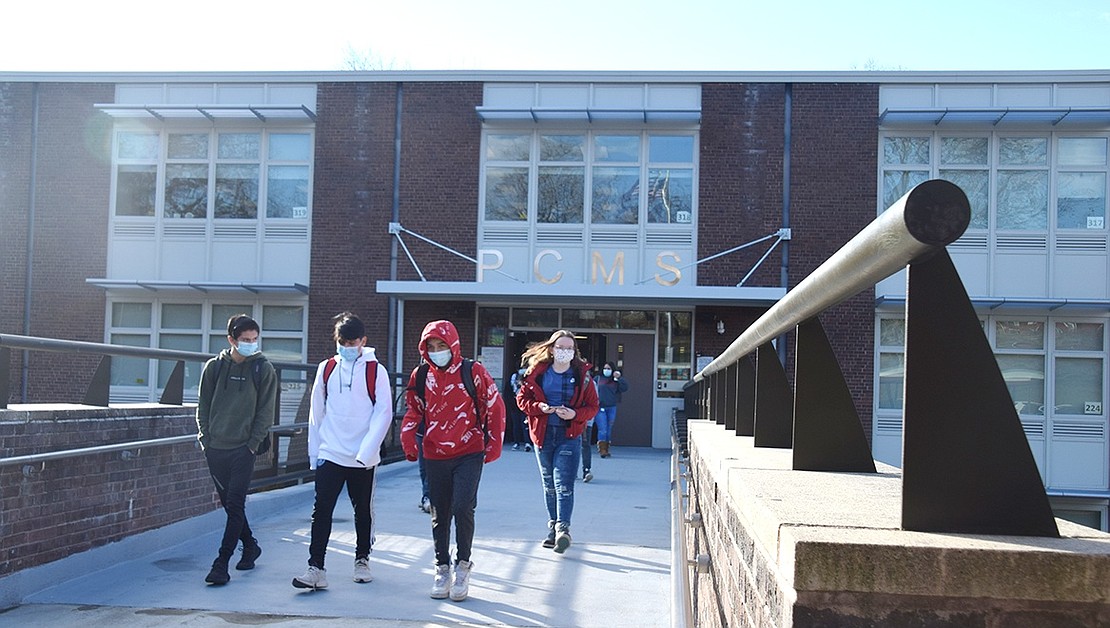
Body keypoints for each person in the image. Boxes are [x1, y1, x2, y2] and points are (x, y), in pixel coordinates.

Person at [401, 320, 505, 602]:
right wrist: (408, 439)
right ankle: (441, 567)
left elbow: (494, 406)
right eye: (431, 347)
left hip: (469, 451)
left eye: (441, 346)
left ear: (454, 345)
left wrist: (494, 444)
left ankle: (463, 565)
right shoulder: (421, 375)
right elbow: (414, 410)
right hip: (435, 453)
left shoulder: (474, 372)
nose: (436, 352)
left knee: (463, 507)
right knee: (440, 513)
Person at [292, 313, 393, 590]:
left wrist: (367, 449)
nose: (348, 346)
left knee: (362, 511)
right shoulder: (326, 368)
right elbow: (317, 412)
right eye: (343, 341)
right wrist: (316, 453)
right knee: (321, 510)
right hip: (331, 452)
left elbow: (384, 412)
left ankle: (362, 559)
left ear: (363, 341)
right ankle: (316, 567)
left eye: (353, 341)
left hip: (363, 455)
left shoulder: (376, 371)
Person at [196, 314, 277, 585]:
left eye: (254, 340)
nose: (251, 345)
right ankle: (251, 546)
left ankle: (221, 563)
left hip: (243, 449)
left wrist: (252, 445)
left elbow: (266, 412)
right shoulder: (214, 368)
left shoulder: (263, 369)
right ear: (231, 340)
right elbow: (203, 406)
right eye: (245, 340)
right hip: (215, 446)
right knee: (230, 507)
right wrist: (205, 439)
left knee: (234, 504)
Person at [516, 330, 599, 554]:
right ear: (551, 349)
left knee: (564, 484)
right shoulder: (538, 373)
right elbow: (522, 400)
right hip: (542, 435)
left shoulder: (583, 376)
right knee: (549, 485)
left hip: (568, 436)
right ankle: (552, 528)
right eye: (560, 348)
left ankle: (564, 528)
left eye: (569, 348)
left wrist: (574, 414)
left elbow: (593, 407)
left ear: (574, 352)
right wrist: (539, 408)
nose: (564, 352)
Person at [593, 361, 629, 458]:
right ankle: (602, 450)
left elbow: (625, 388)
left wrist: (619, 378)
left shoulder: (615, 380)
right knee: (602, 429)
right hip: (600, 407)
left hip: (611, 407)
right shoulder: (598, 379)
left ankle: (607, 448)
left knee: (609, 429)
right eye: (605, 368)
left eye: (609, 368)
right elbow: (591, 389)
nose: (606, 370)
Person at [507, 367, 533, 452]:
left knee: (522, 424)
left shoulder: (528, 378)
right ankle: (520, 442)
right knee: (519, 424)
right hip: (516, 405)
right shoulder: (513, 379)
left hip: (524, 404)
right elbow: (508, 391)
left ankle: (525, 442)